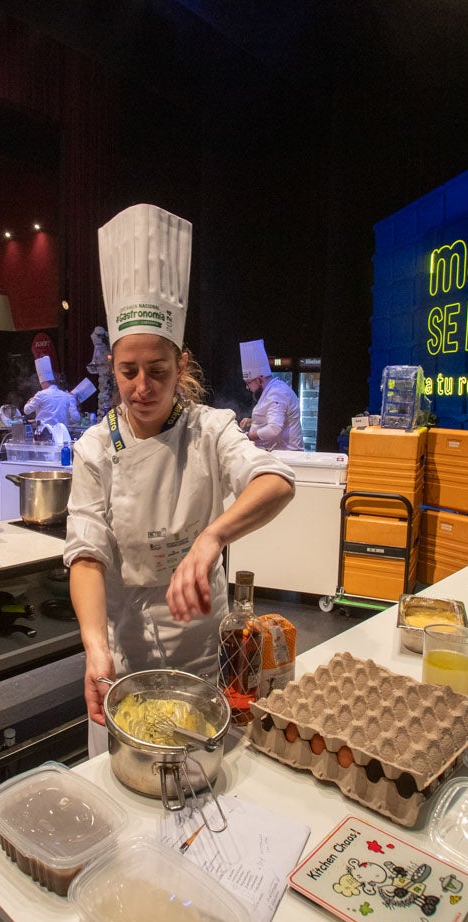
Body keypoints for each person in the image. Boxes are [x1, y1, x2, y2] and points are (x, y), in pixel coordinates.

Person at [64, 204, 296, 755]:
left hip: (199, 647)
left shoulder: (210, 431)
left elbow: (276, 480)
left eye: (158, 371)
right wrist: (94, 647)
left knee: (198, 784)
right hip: (123, 648)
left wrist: (215, 535)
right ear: (113, 370)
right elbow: (87, 553)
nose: (142, 386)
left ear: (181, 366)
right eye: (128, 372)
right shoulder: (97, 446)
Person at [237, 339, 304, 451]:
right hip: (276, 455)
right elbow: (275, 416)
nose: (247, 388)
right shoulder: (271, 390)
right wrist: (252, 421)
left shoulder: (277, 394)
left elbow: (274, 428)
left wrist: (246, 437)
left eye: (248, 383)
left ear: (259, 380)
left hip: (286, 457)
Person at [22, 356, 79, 430]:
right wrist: (73, 400)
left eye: (41, 383)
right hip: (62, 434)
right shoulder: (66, 395)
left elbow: (27, 410)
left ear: (44, 382)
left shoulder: (41, 394)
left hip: (44, 433)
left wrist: (30, 400)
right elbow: (76, 418)